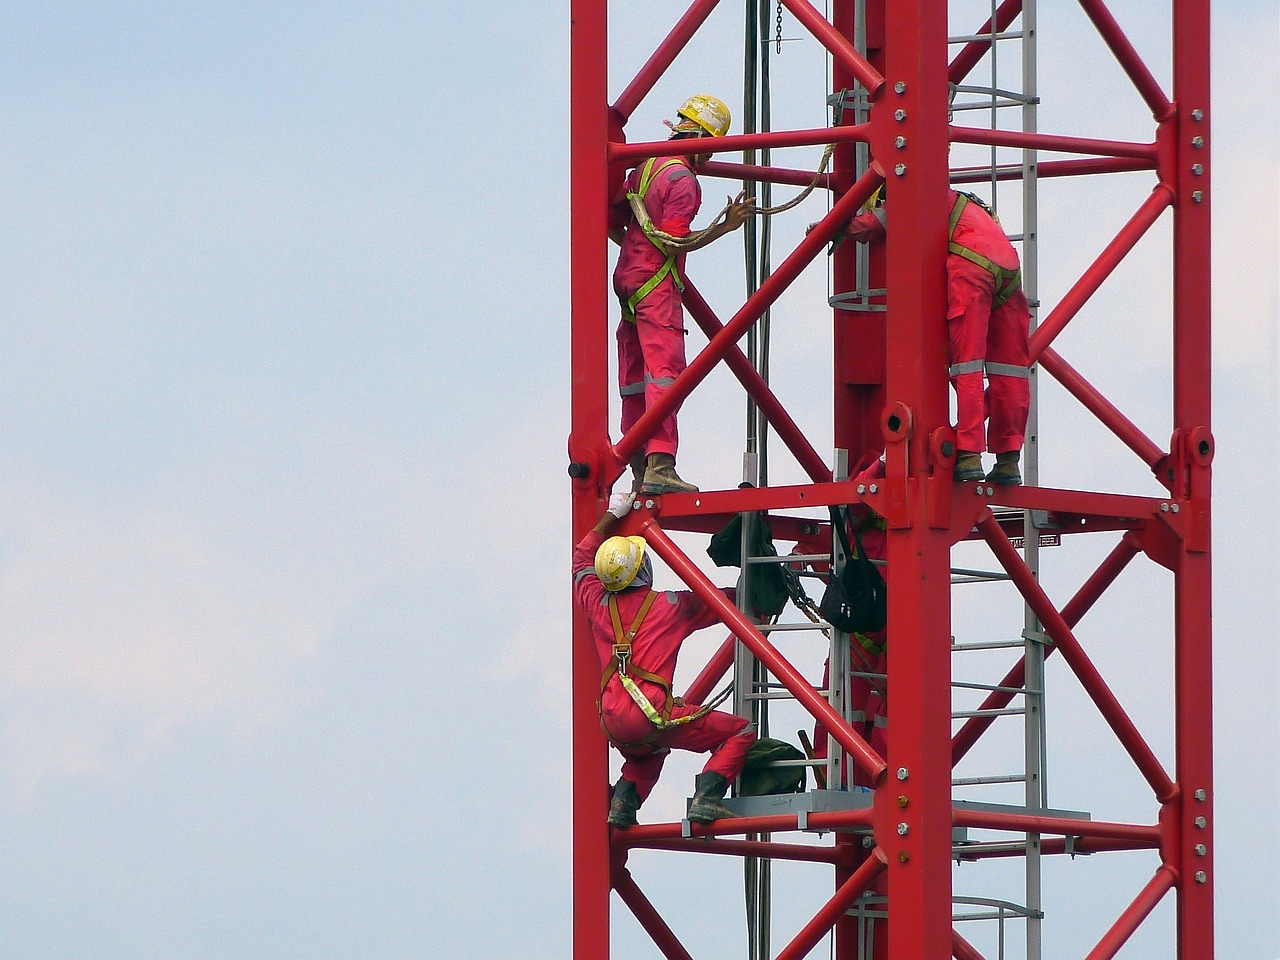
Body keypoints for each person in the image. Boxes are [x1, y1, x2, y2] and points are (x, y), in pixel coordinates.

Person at [822, 185, 1032, 485]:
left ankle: (969, 453)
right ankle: (1009, 460)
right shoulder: (964, 201)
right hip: (1008, 268)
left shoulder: (916, 187)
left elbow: (878, 222)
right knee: (1009, 370)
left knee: (966, 365)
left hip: (972, 264)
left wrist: (832, 228)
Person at [574, 492, 756, 827]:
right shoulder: (670, 606)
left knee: (650, 751)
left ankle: (623, 805)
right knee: (741, 730)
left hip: (612, 722)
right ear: (642, 568)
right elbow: (720, 604)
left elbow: (581, 560)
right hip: (651, 715)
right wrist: (755, 593)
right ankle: (707, 799)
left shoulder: (596, 605)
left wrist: (612, 515)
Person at [610, 94, 755, 494]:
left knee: (635, 377)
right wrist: (724, 227)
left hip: (627, 279)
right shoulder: (683, 182)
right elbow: (673, 242)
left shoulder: (646, 166)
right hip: (655, 286)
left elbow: (620, 215)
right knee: (664, 373)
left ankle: (637, 466)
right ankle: (659, 464)